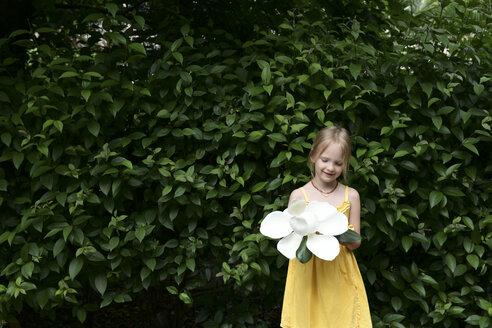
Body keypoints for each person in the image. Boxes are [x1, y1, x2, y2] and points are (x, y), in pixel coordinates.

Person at [280, 126, 372, 328]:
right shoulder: (299, 196)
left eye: (338, 163)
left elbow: (355, 241)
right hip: (307, 273)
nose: (330, 167)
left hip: (339, 272)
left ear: (345, 164)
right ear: (313, 156)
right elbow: (293, 241)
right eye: (325, 160)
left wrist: (333, 232)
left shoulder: (351, 196)